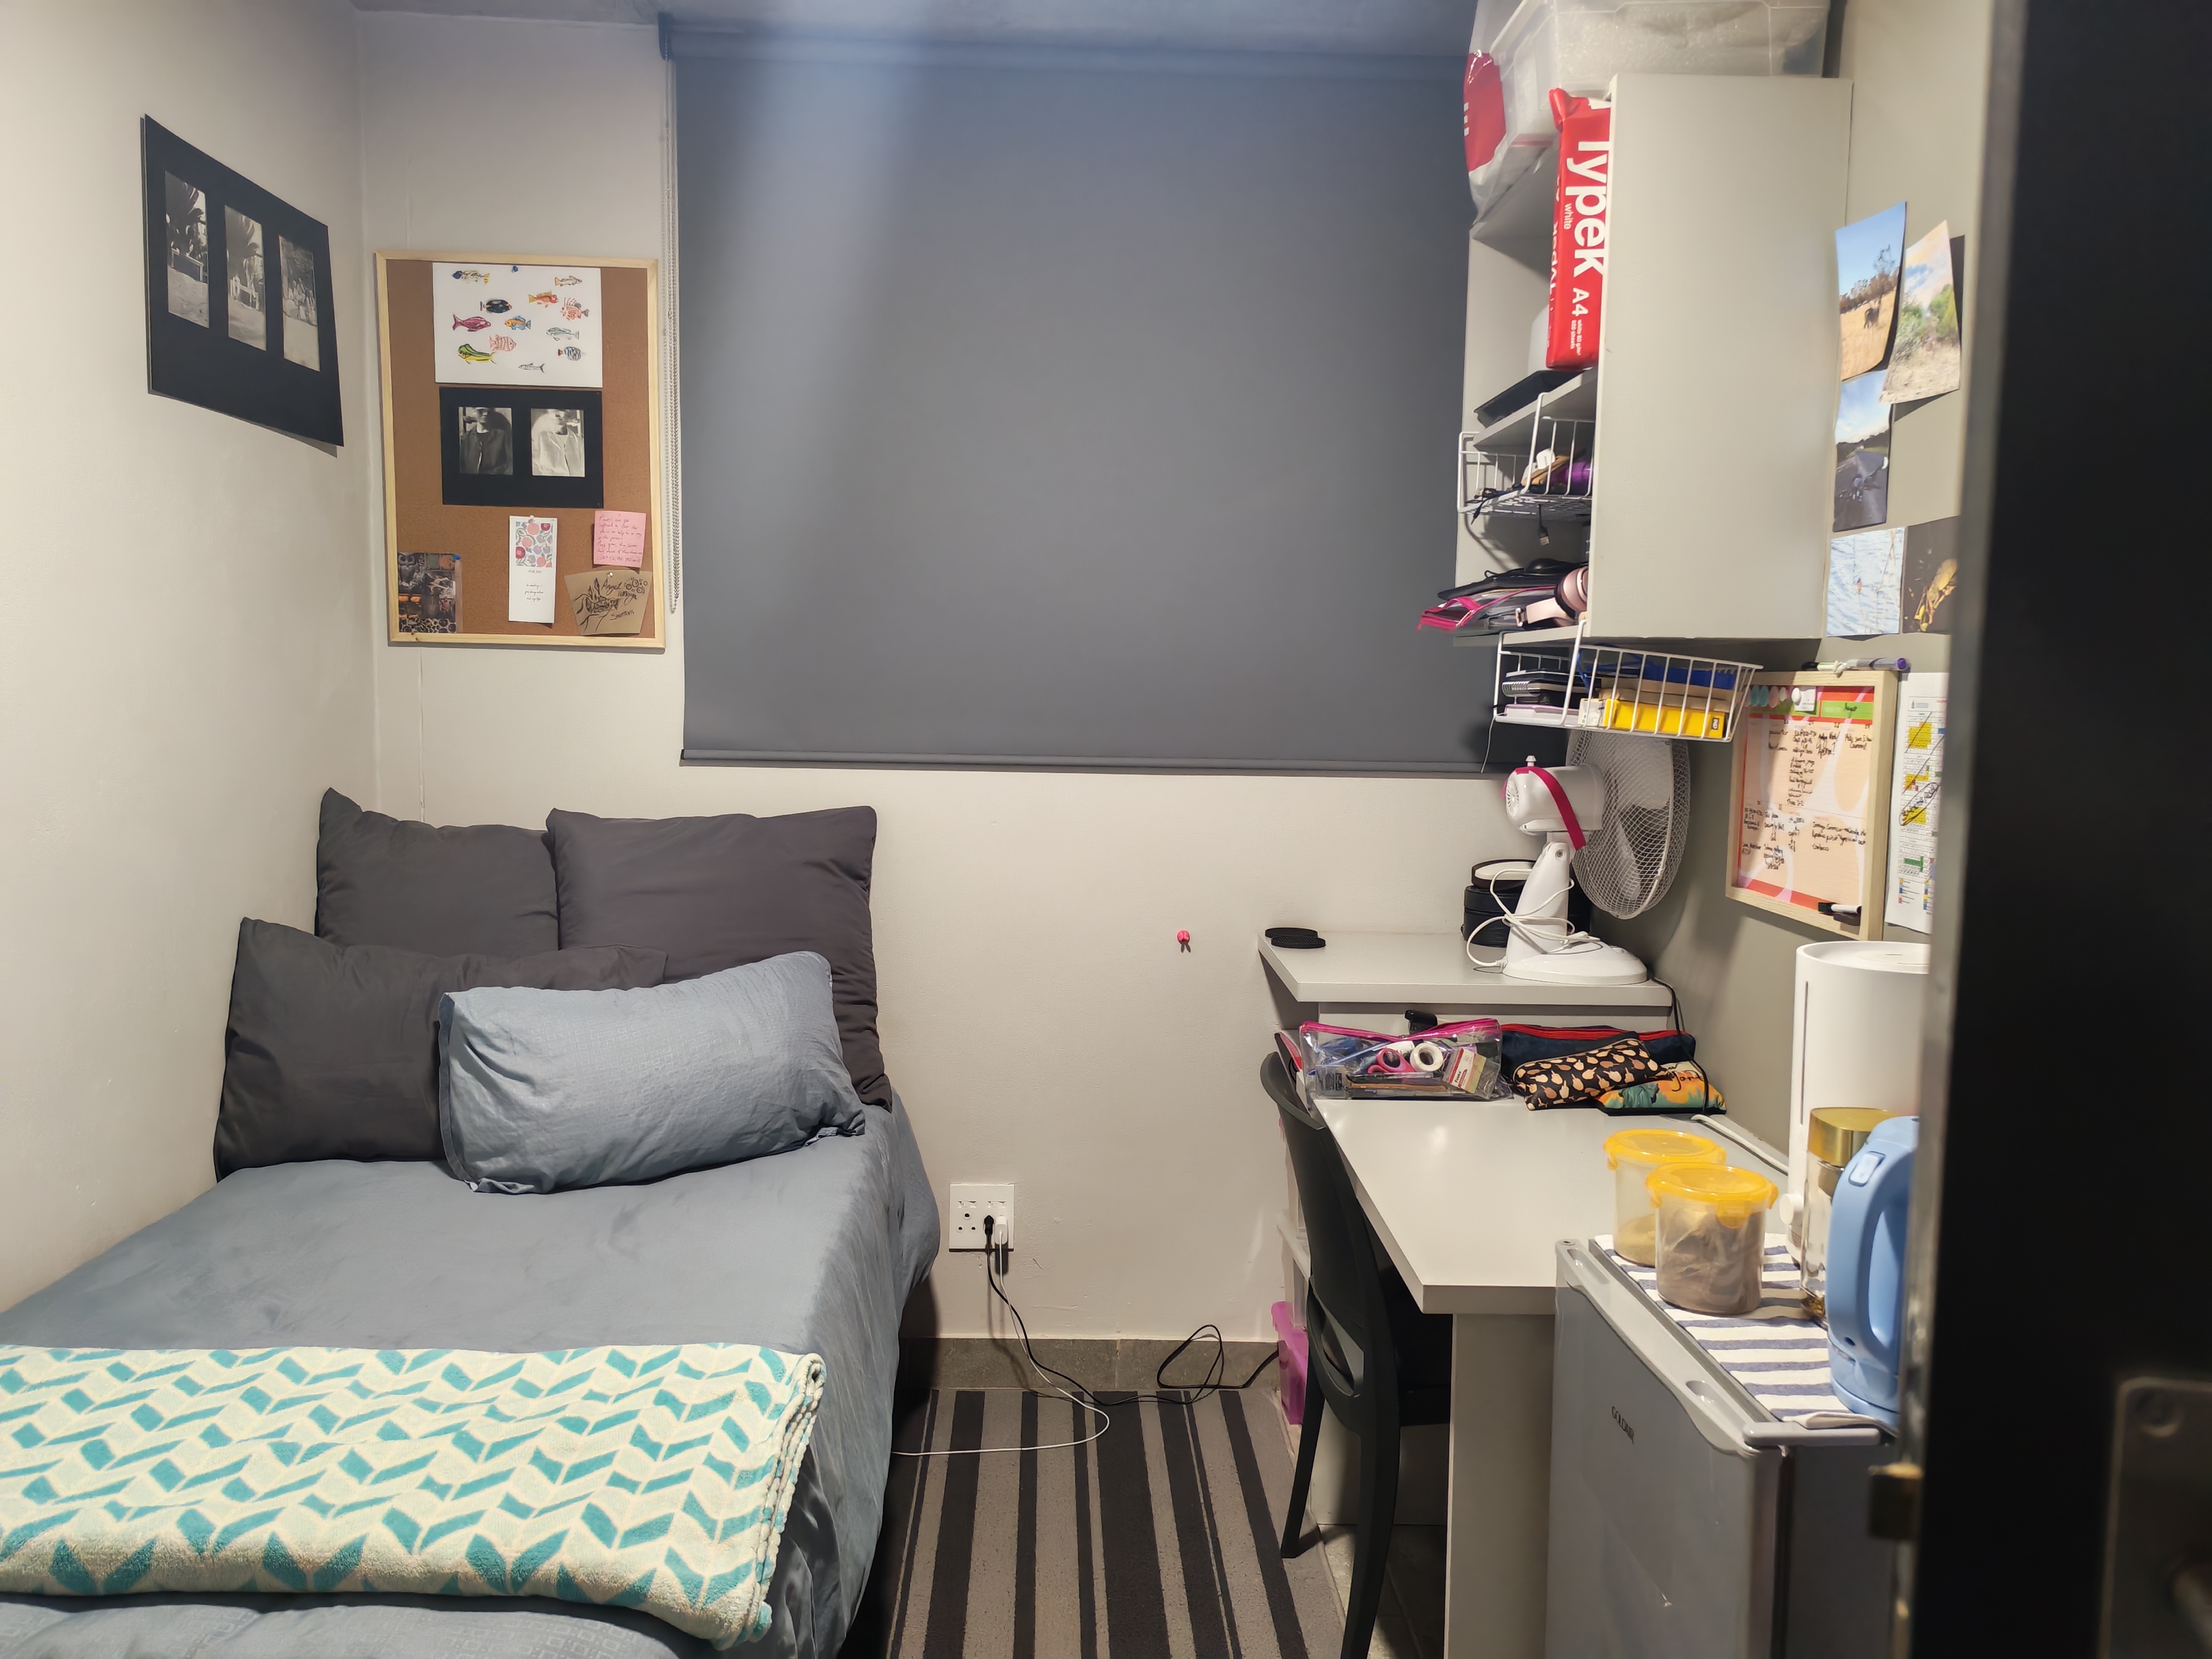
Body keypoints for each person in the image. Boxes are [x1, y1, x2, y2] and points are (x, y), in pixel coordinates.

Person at [459, 407, 511, 476]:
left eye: (489, 411)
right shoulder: (466, 439)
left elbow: (510, 465)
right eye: (481, 411)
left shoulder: (502, 436)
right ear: (474, 412)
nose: (485, 414)